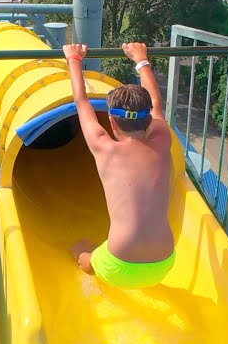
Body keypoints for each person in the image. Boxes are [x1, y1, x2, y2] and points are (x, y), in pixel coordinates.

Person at [63, 41, 175, 289]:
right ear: (148, 122)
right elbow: (156, 103)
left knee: (83, 254)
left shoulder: (105, 147)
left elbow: (81, 103)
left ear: (111, 123)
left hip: (118, 265)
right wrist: (140, 59)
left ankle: (83, 257)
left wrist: (74, 59)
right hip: (165, 263)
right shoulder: (162, 138)